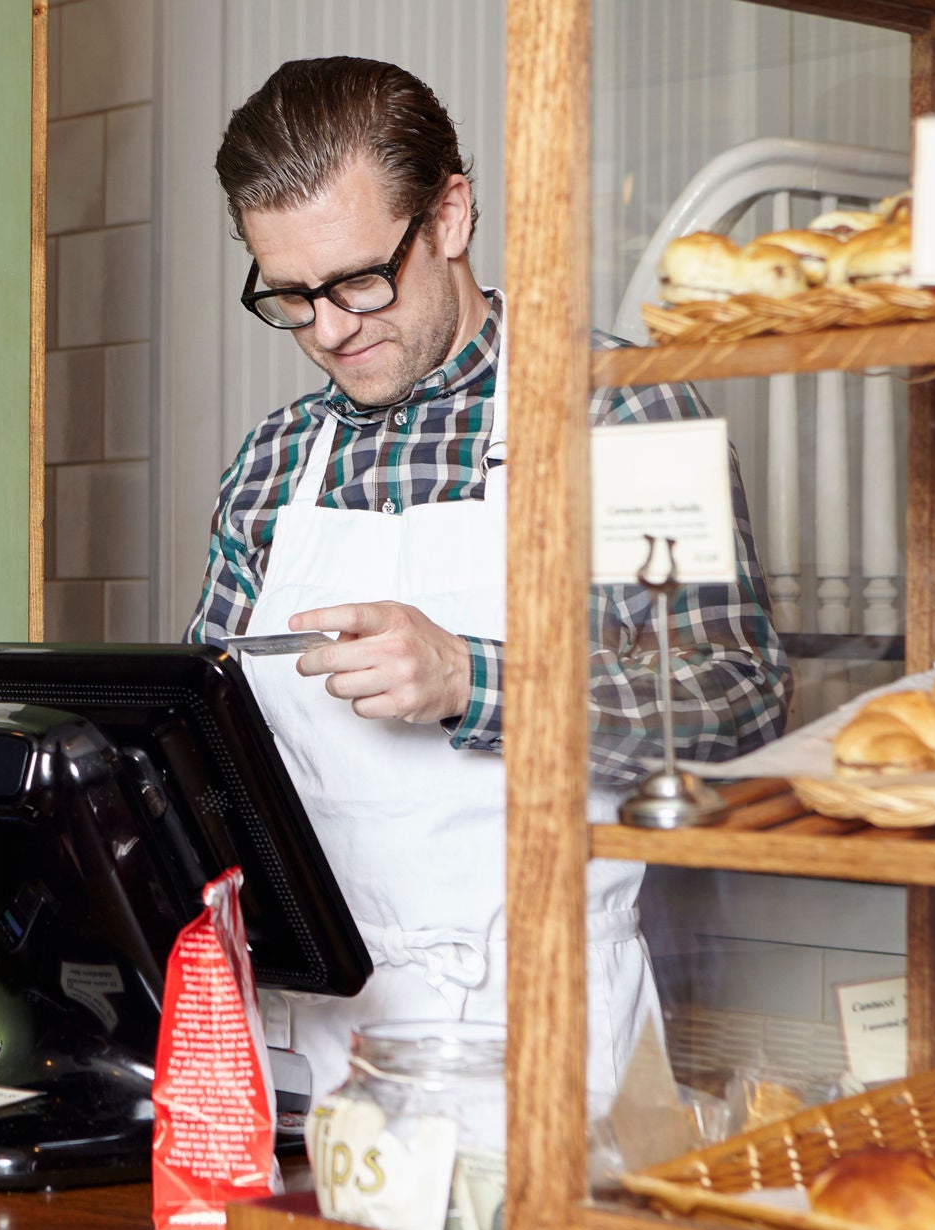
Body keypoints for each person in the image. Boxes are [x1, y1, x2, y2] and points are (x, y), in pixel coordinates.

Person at [189, 57, 791, 1110]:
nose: (329, 329)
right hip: (305, 1038)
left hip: (538, 1031)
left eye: (359, 281)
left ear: (450, 215)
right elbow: (208, 748)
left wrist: (475, 680)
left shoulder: (618, 413)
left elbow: (739, 702)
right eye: (290, 295)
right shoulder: (270, 464)